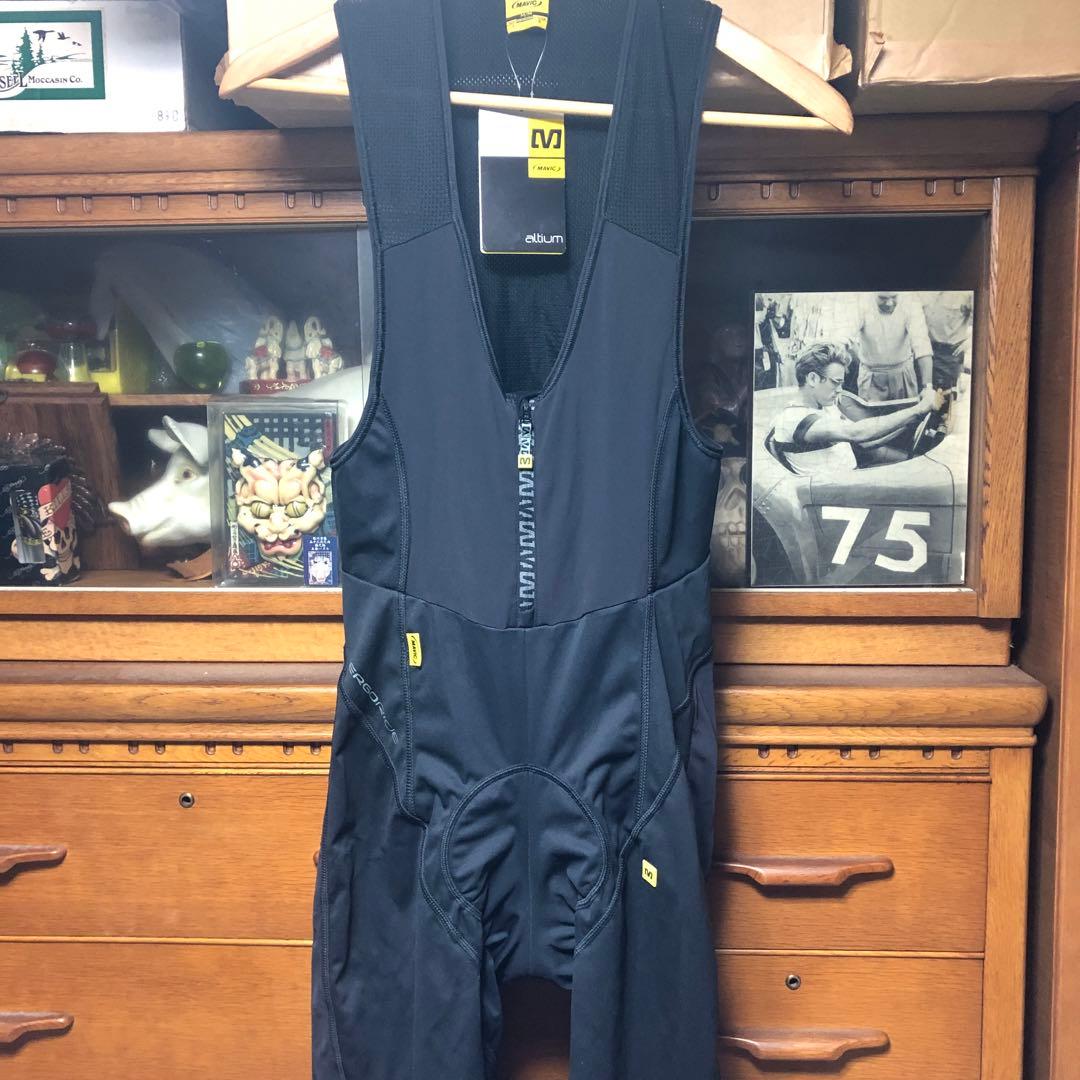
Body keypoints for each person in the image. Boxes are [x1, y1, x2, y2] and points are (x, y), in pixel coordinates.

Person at [771, 343, 942, 477]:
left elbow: (866, 442)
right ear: (813, 379)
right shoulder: (794, 418)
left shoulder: (825, 407)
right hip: (831, 498)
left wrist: (914, 418)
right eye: (835, 382)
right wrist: (919, 409)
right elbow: (857, 433)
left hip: (850, 483)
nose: (839, 390)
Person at [851, 291, 933, 402]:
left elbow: (922, 344)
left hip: (903, 374)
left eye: (894, 297)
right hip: (871, 378)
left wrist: (928, 387)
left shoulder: (910, 300)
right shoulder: (860, 301)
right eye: (882, 298)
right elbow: (846, 338)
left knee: (910, 412)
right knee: (871, 413)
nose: (889, 303)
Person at [922, 291, 973, 391]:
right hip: (926, 353)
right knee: (926, 392)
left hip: (951, 355)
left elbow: (983, 321)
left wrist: (969, 342)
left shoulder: (966, 292)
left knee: (949, 394)